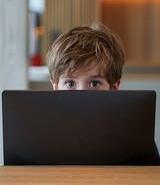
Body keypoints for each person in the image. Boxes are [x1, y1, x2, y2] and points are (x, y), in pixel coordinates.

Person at [46, 23, 160, 165]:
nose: (82, 95)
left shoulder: (132, 136)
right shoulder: (45, 135)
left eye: (94, 84)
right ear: (55, 88)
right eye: (70, 84)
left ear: (114, 87)